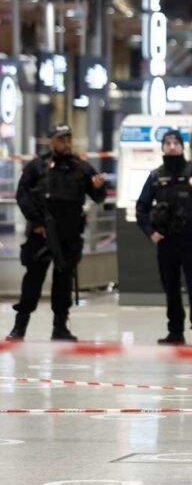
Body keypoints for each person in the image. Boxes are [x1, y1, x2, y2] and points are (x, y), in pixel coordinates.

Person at [7, 124, 107, 342]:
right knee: (33, 281)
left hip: (69, 235)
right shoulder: (37, 167)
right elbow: (22, 195)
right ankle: (20, 327)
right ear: (52, 141)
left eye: (69, 139)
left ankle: (60, 327)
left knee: (63, 283)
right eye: (61, 139)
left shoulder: (81, 167)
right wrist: (36, 222)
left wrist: (99, 187)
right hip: (40, 234)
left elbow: (98, 197)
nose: (66, 143)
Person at [135, 130, 192, 347]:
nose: (172, 146)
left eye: (176, 143)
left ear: (183, 147)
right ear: (162, 148)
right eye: (168, 143)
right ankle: (175, 331)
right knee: (170, 287)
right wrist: (150, 232)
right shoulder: (156, 176)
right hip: (166, 240)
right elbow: (141, 207)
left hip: (191, 238)